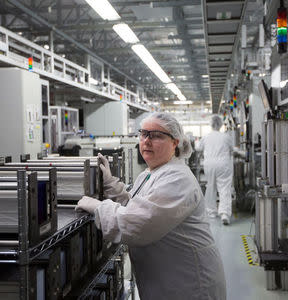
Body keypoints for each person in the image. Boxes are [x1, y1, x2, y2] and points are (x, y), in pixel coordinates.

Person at [75, 112, 226, 300]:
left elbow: (139, 224)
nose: (146, 141)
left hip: (190, 284)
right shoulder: (152, 173)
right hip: (169, 281)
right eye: (143, 134)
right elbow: (135, 205)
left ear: (175, 143)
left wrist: (98, 207)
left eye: (156, 135)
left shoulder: (178, 179)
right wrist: (110, 184)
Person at [197, 115, 233, 225]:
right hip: (223, 164)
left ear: (211, 124)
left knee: (211, 187)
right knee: (224, 188)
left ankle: (211, 212)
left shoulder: (206, 137)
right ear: (221, 124)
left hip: (210, 164)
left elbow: (198, 148)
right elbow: (232, 149)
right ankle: (224, 214)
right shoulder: (226, 137)